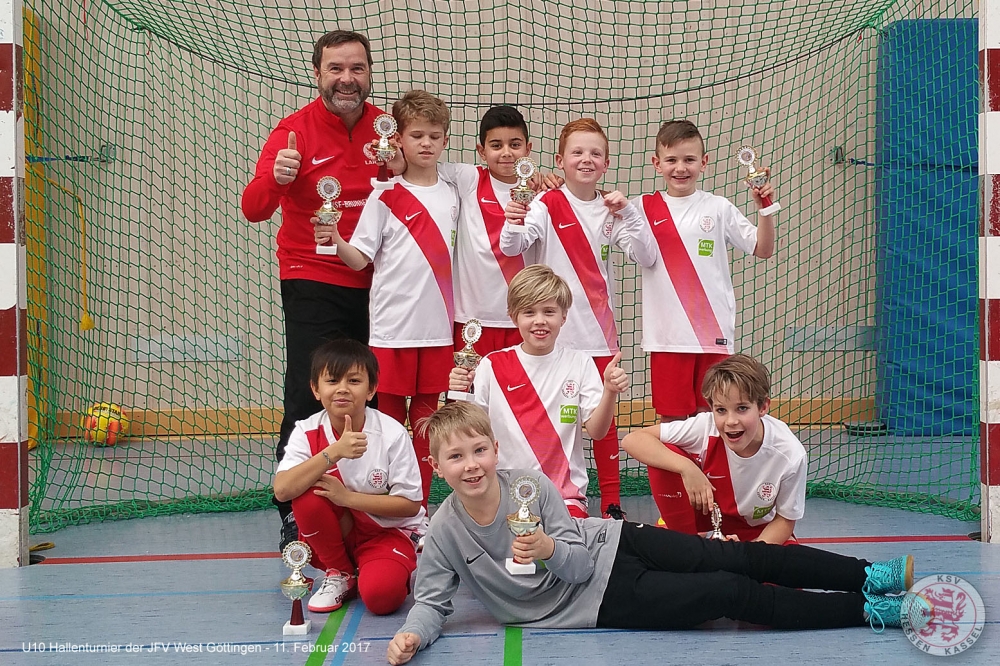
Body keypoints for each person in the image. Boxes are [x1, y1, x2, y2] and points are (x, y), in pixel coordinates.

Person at [385, 402, 920, 665]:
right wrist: (413, 635)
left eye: (479, 450)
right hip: (596, 601)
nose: (471, 465)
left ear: (495, 450)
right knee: (730, 592)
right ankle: (868, 610)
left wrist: (548, 547)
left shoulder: (529, 485)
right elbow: (431, 602)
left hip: (616, 541)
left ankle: (873, 574)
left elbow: (577, 557)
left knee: (742, 558)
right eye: (456, 457)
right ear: (436, 466)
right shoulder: (445, 531)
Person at [241, 30, 403, 552]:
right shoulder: (292, 132)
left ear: (369, 73)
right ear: (318, 74)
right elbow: (254, 208)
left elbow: (432, 177)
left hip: (383, 282)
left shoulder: (389, 130)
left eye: (357, 68)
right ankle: (295, 512)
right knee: (309, 393)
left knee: (381, 392)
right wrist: (277, 178)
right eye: (336, 69)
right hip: (313, 277)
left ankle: (381, 504)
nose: (346, 79)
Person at [500, 118, 658, 518]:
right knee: (550, 417)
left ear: (606, 163)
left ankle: (612, 502)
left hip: (599, 336)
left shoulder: (610, 209)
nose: (586, 159)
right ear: (560, 160)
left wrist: (630, 213)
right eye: (577, 152)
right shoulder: (545, 203)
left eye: (595, 153)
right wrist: (513, 218)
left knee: (604, 420)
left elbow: (646, 255)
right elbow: (512, 246)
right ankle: (551, 493)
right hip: (551, 336)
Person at [318, 89, 458, 505]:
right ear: (398, 139)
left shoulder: (455, 192)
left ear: (445, 140)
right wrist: (335, 239)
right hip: (392, 331)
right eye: (417, 135)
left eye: (434, 136)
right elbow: (359, 259)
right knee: (389, 426)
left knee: (428, 426)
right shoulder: (384, 195)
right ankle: (386, 506)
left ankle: (419, 509)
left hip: (438, 333)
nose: (426, 144)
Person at [448, 265, 628, 518]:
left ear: (564, 317)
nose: (540, 320)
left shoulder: (580, 363)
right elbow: (467, 430)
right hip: (502, 496)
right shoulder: (491, 364)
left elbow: (598, 432)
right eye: (529, 312)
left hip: (565, 498)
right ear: (513, 317)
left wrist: (609, 391)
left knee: (561, 543)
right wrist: (457, 392)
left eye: (549, 312)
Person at [629, 119, 776, 424]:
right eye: (671, 160)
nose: (680, 168)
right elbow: (593, 201)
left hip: (712, 334)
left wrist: (764, 206)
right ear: (657, 163)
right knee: (672, 422)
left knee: (713, 417)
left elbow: (763, 249)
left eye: (689, 160)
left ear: (704, 162)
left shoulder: (718, 208)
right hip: (667, 338)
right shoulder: (641, 208)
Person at [272, 340, 425, 615]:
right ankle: (340, 572)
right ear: (316, 389)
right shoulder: (306, 430)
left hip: (387, 532)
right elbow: (282, 490)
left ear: (371, 389)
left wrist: (347, 498)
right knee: (306, 493)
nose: (342, 388)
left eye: (354, 380)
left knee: (381, 598)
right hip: (340, 533)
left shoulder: (391, 433)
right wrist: (334, 452)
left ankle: (382, 569)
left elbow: (411, 505)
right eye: (332, 380)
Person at [621, 354, 805, 543]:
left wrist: (748, 553)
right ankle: (687, 545)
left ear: (763, 407)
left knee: (793, 560)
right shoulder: (706, 427)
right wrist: (687, 468)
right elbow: (632, 440)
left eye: (742, 408)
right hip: (705, 517)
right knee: (664, 455)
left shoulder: (789, 453)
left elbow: (785, 520)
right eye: (721, 410)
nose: (731, 421)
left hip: (756, 530)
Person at [442, 105, 537, 356]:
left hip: (523, 317)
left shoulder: (540, 192)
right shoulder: (469, 179)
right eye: (496, 145)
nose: (506, 152)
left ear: (528, 149)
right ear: (481, 151)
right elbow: (422, 165)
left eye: (515, 144)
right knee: (468, 382)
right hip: (472, 320)